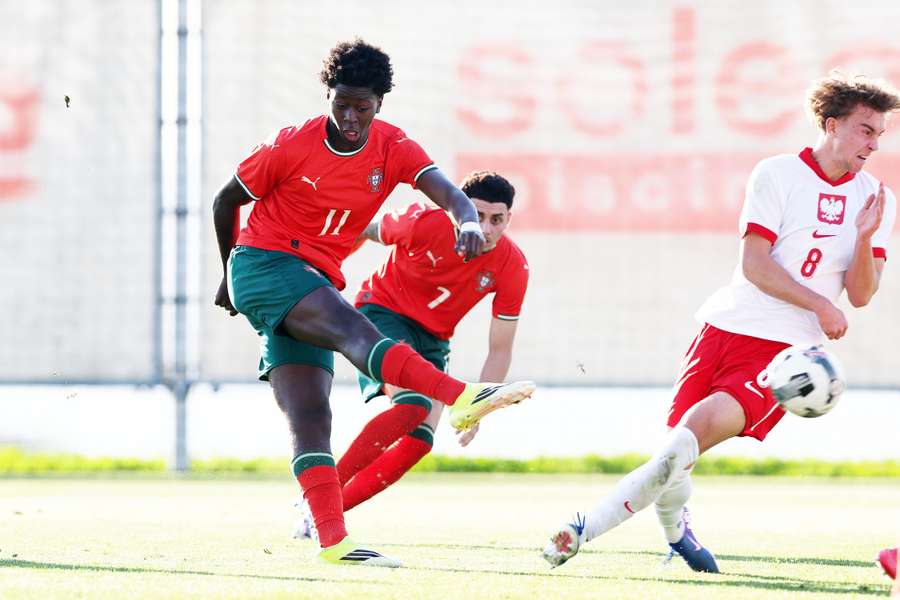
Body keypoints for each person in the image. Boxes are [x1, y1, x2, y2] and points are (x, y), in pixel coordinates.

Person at [541, 71, 899, 572]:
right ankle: (678, 534)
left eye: (880, 133)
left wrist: (863, 238)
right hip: (724, 328)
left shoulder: (876, 200)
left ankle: (581, 529)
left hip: (785, 353)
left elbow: (861, 295)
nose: (875, 143)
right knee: (674, 453)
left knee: (690, 436)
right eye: (866, 129)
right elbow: (755, 265)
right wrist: (820, 302)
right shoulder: (775, 173)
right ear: (831, 123)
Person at [212, 39, 535, 568]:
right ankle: (460, 396)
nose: (349, 117)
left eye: (362, 106)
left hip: (311, 281)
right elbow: (226, 200)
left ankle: (332, 541)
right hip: (266, 265)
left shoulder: (393, 147)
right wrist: (227, 272)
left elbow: (448, 191)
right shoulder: (291, 144)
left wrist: (468, 218)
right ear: (328, 95)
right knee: (357, 333)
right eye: (340, 103)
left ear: (380, 103)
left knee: (312, 414)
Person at [294, 171, 528, 539]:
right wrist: (321, 268)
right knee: (414, 405)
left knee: (420, 441)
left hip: (433, 339)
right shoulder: (423, 220)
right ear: (459, 209)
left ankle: (320, 515)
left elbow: (500, 347)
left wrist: (483, 405)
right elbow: (364, 231)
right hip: (382, 314)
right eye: (477, 216)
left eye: (496, 220)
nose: (485, 229)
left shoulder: (513, 265)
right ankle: (318, 496)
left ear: (508, 219)